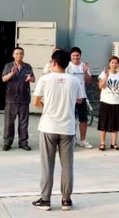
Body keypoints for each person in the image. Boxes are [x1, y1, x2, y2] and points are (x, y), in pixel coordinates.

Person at [32, 49, 84, 212]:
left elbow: (36, 102)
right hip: (67, 127)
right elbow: (80, 100)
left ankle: (45, 199)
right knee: (67, 165)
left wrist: (48, 107)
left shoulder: (45, 79)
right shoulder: (74, 80)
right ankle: (66, 200)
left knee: (47, 165)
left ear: (53, 62)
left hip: (48, 126)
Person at [2, 47, 35, 151]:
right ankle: (7, 142)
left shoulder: (27, 66)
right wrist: (12, 73)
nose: (18, 55)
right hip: (11, 98)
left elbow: (33, 79)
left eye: (20, 53)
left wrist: (30, 78)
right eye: (16, 54)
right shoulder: (8, 66)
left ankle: (23, 142)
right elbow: (3, 79)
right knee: (9, 122)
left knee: (23, 122)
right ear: (13, 55)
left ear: (23, 55)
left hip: (24, 98)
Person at [66, 47, 94, 149]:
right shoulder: (67, 66)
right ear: (70, 56)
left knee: (83, 120)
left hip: (82, 96)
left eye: (77, 55)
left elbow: (89, 81)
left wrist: (85, 72)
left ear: (80, 56)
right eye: (73, 55)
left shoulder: (84, 66)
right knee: (71, 119)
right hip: (70, 97)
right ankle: (72, 139)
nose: (75, 57)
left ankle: (83, 140)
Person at [97, 56, 119, 151]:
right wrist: (106, 77)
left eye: (116, 63)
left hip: (116, 101)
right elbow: (101, 86)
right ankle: (102, 143)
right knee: (103, 123)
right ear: (109, 63)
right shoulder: (104, 73)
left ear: (118, 64)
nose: (114, 64)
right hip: (105, 101)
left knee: (115, 124)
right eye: (112, 62)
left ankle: (114, 143)